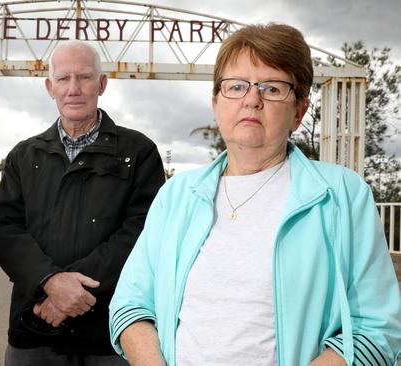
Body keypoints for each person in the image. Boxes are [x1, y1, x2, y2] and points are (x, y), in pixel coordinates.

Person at [109, 23, 401, 366]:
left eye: (272, 88)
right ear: (216, 103)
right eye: (236, 86)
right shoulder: (177, 195)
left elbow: (376, 329)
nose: (252, 99)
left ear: (299, 111)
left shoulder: (341, 196)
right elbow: (131, 305)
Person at [0, 40, 165, 365]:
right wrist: (49, 282)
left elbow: (142, 231)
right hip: (35, 331)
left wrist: (70, 291)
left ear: (102, 84)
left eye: (83, 77)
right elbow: (2, 228)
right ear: (50, 87)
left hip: (110, 335)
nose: (74, 88)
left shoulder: (139, 153)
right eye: (64, 79)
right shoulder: (24, 156)